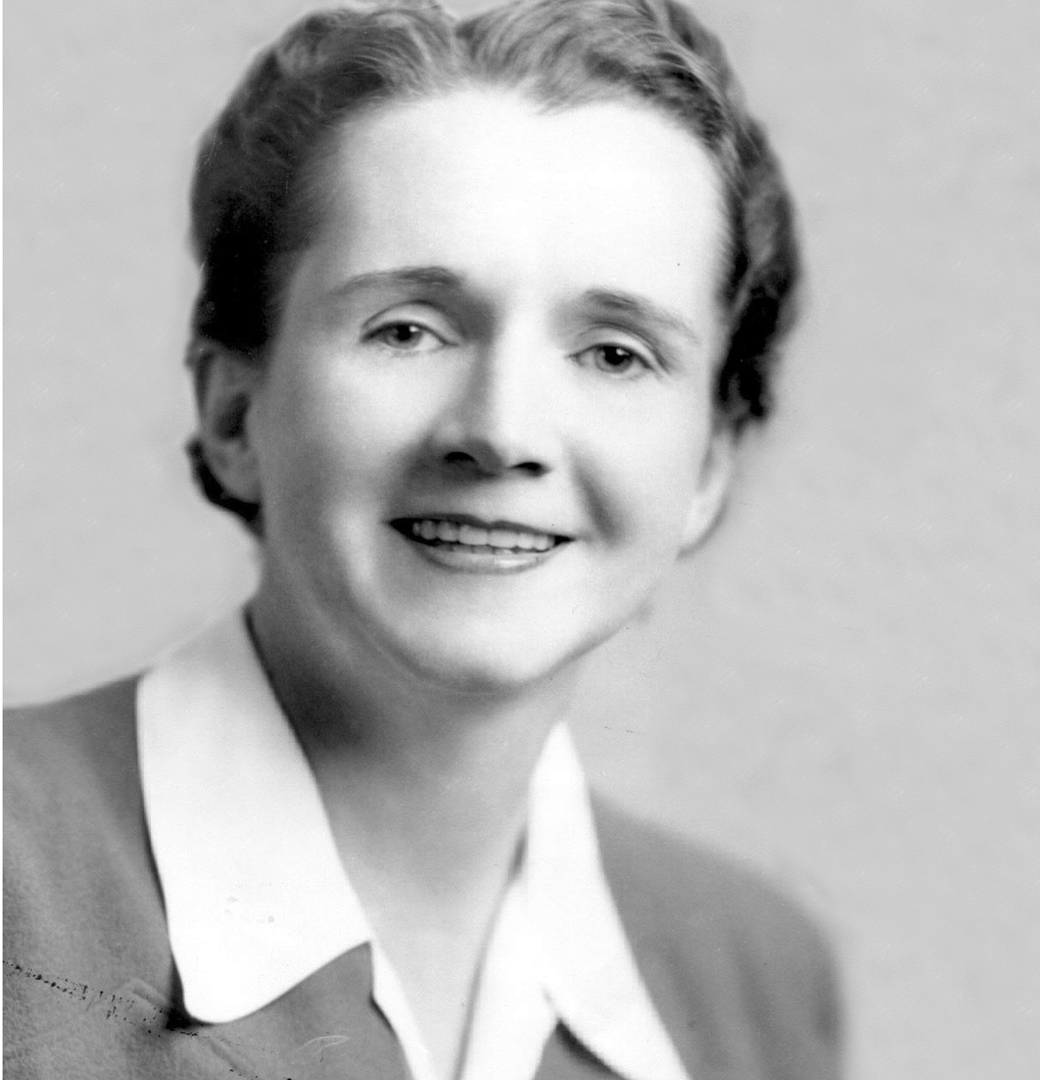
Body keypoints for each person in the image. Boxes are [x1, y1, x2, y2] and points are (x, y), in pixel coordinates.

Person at [2, 2, 838, 1078]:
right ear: (235, 415)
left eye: (616, 353)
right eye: (408, 330)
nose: (502, 431)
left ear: (709, 467)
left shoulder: (758, 982)